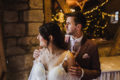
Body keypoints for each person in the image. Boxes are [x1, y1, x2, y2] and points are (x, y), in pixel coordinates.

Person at [65, 12, 101, 80]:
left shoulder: (92, 46)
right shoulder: (62, 42)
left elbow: (97, 72)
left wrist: (82, 72)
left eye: (69, 23)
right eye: (66, 23)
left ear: (78, 27)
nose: (65, 26)